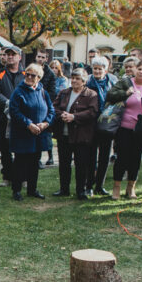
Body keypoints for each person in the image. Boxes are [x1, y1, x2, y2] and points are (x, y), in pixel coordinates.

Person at [9, 63, 54, 200]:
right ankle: (16, 190)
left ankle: (32, 189)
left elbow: (51, 110)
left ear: (39, 78)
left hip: (38, 135)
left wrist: (45, 123)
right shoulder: (19, 91)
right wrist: (28, 124)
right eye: (26, 74)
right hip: (22, 134)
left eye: (32, 75)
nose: (28, 77)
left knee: (34, 163)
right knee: (20, 163)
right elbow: (14, 111)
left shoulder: (43, 92)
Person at [52, 68, 99, 199]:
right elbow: (53, 107)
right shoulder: (64, 93)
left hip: (81, 136)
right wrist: (63, 114)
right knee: (64, 163)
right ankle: (64, 189)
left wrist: (74, 117)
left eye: (77, 78)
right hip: (64, 134)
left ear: (84, 81)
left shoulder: (91, 94)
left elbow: (92, 112)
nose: (74, 81)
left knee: (81, 164)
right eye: (72, 78)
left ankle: (81, 190)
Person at [109, 58, 142, 200]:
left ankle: (131, 187)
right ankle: (116, 187)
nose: (141, 72)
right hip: (124, 128)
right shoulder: (126, 83)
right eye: (139, 69)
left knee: (135, 159)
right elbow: (110, 95)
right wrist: (126, 93)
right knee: (122, 158)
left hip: (140, 129)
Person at [0, 46, 24, 186]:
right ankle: (7, 176)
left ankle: (22, 177)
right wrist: (6, 102)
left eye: (13, 54)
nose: (10, 57)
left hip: (21, 116)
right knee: (4, 148)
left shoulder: (25, 74)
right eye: (8, 54)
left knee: (21, 149)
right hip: (3, 116)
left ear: (19, 57)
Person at [86, 56, 116, 195]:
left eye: (100, 69)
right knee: (91, 156)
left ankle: (100, 185)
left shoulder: (113, 81)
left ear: (106, 69)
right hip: (91, 123)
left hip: (107, 123)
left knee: (104, 156)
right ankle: (89, 185)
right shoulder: (87, 82)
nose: (97, 71)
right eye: (95, 68)